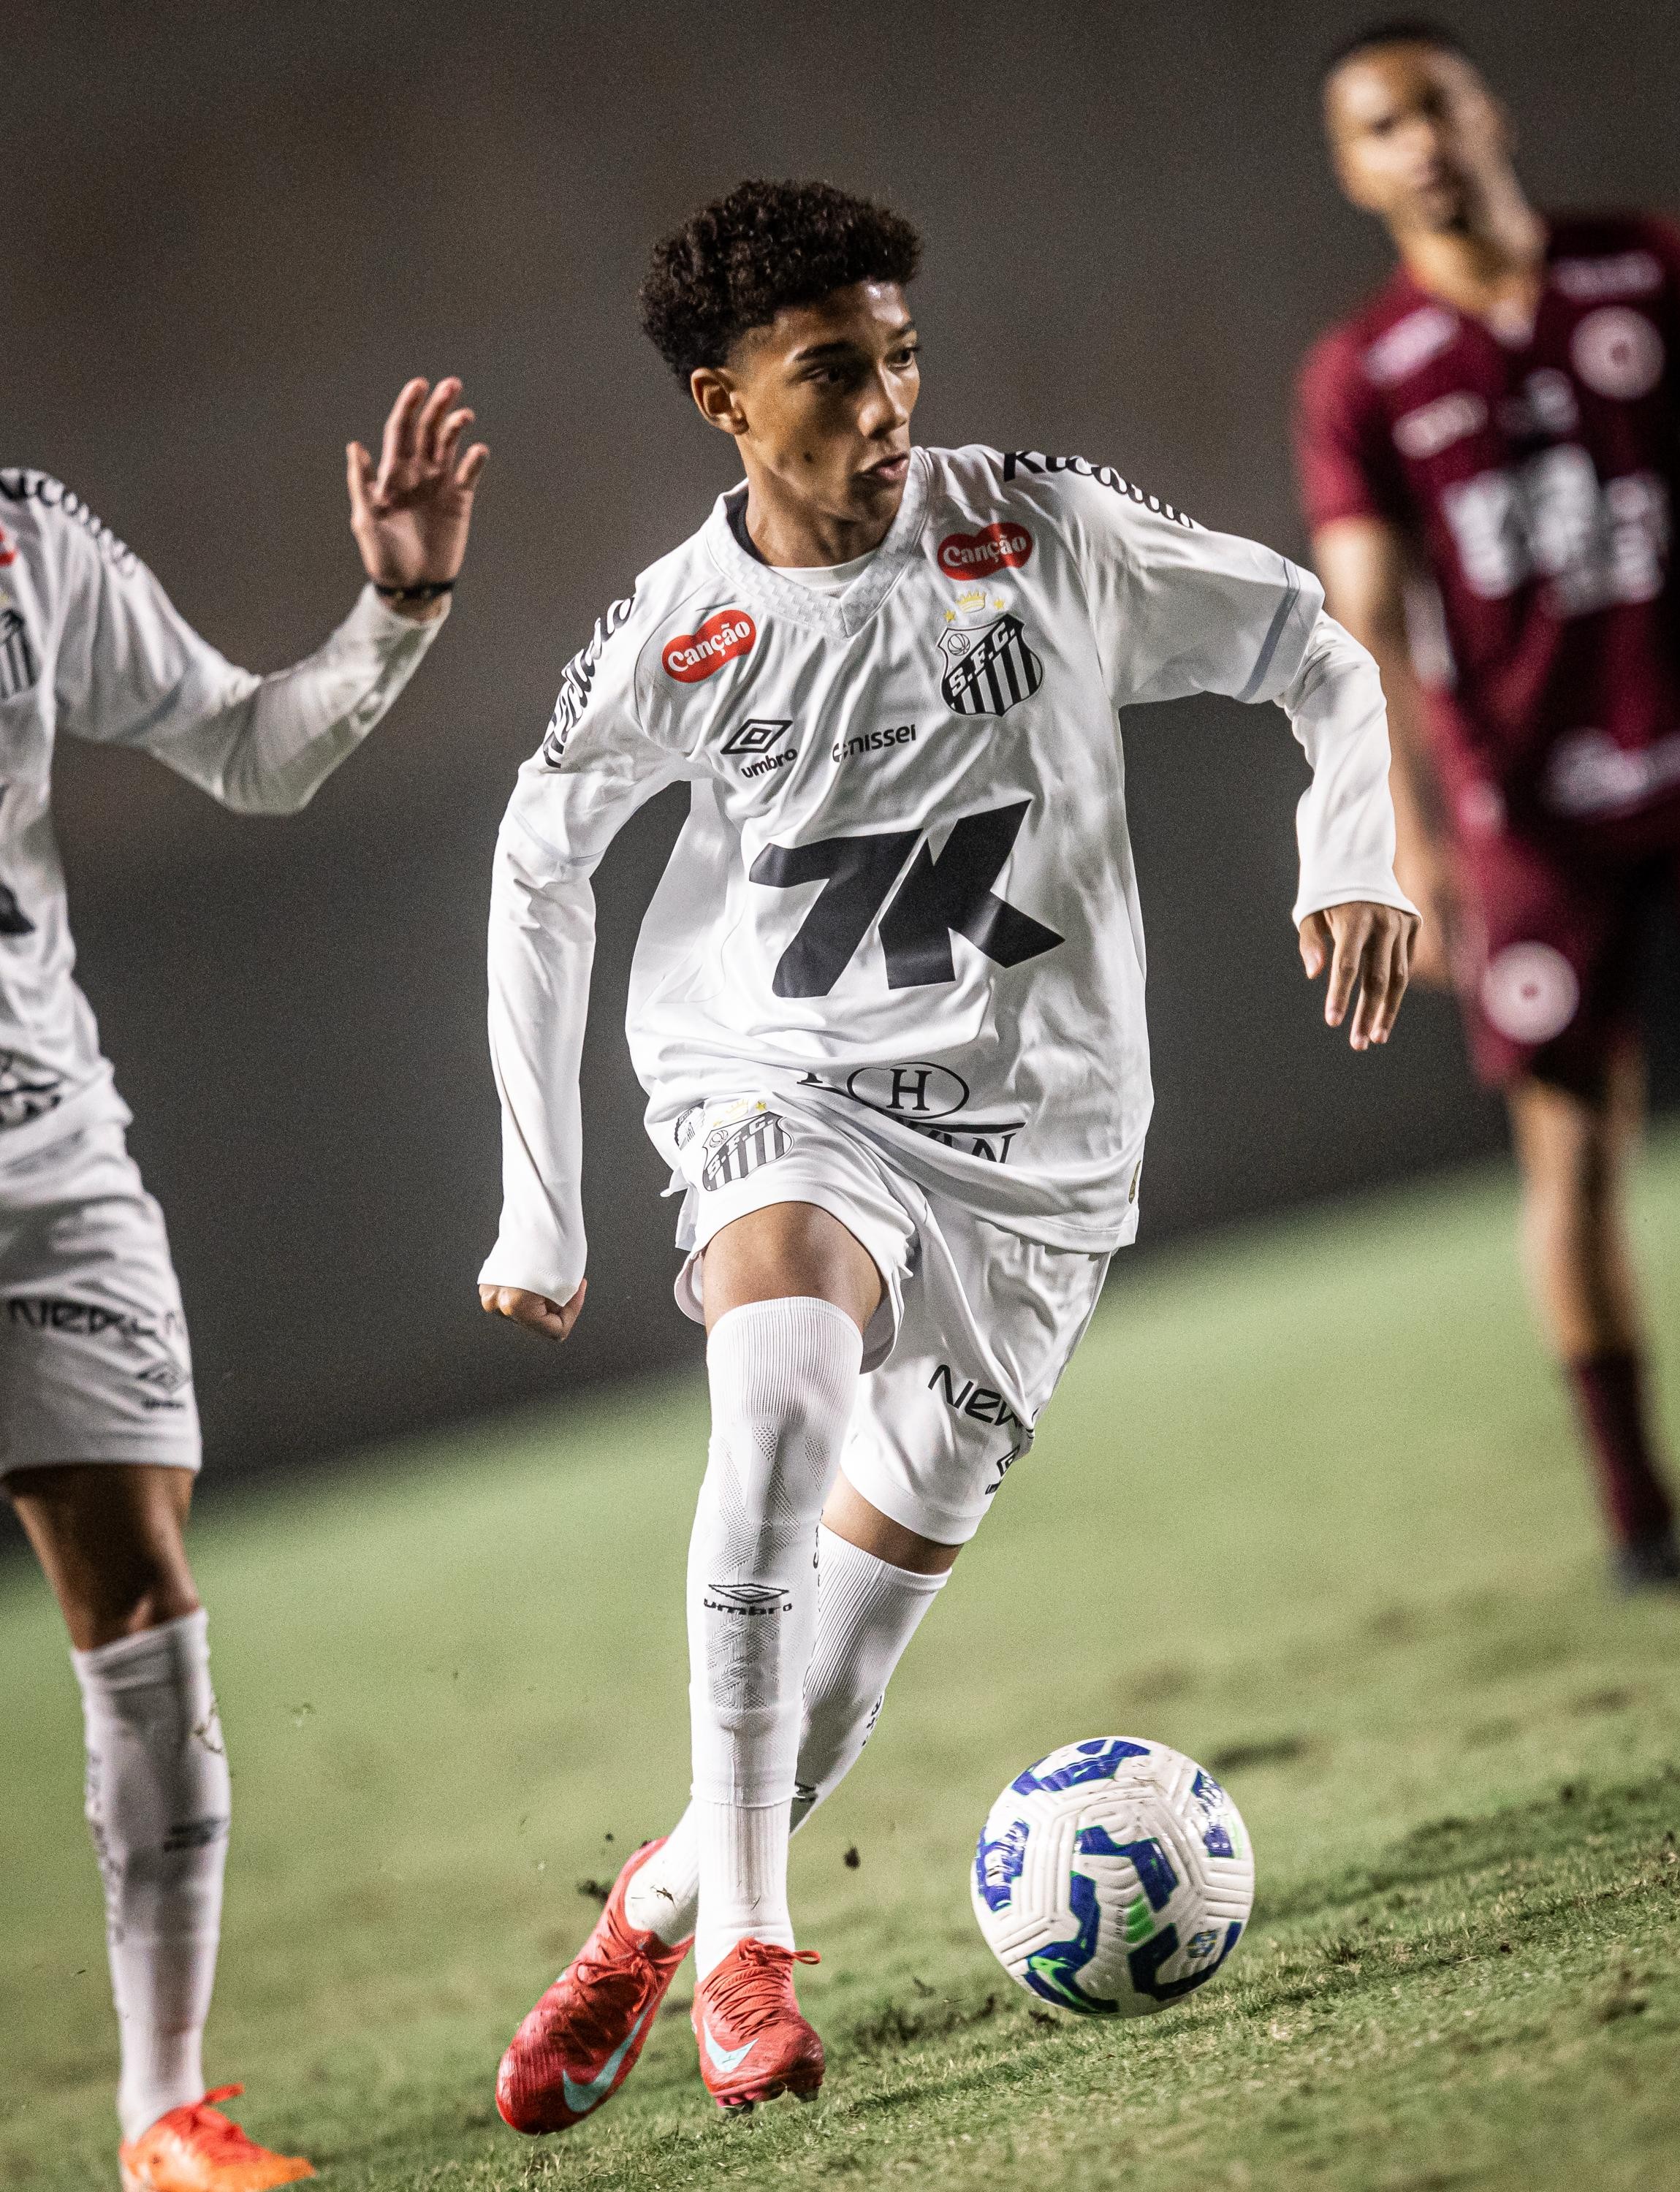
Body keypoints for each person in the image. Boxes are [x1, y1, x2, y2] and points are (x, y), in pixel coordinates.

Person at [479, 177, 1417, 2123]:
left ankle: (654, 1915)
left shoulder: (1041, 531)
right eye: (837, 371)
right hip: (787, 1095)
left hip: (1044, 1162)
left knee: (815, 1703)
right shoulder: (683, 628)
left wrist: (1356, 851)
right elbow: (537, 864)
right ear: (726, 404)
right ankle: (751, 1951)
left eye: (903, 354)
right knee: (780, 1394)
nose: (891, 399)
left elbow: (1317, 649)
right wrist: (540, 1192)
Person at [3, 378, 486, 2191]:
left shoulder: (24, 537)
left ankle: (162, 2114)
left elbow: (250, 751)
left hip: (49, 1171)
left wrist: (399, 607)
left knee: (146, 1621)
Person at [1296, 20, 1680, 1591]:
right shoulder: (1365, 373)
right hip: (1527, 809)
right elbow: (1365, 620)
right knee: (1573, 1156)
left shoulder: (1643, 270)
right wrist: (1405, 837)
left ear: (1486, 111)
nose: (1416, 140)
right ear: (1354, 172)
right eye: (1378, 127)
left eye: (1433, 104)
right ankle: (1642, 1523)